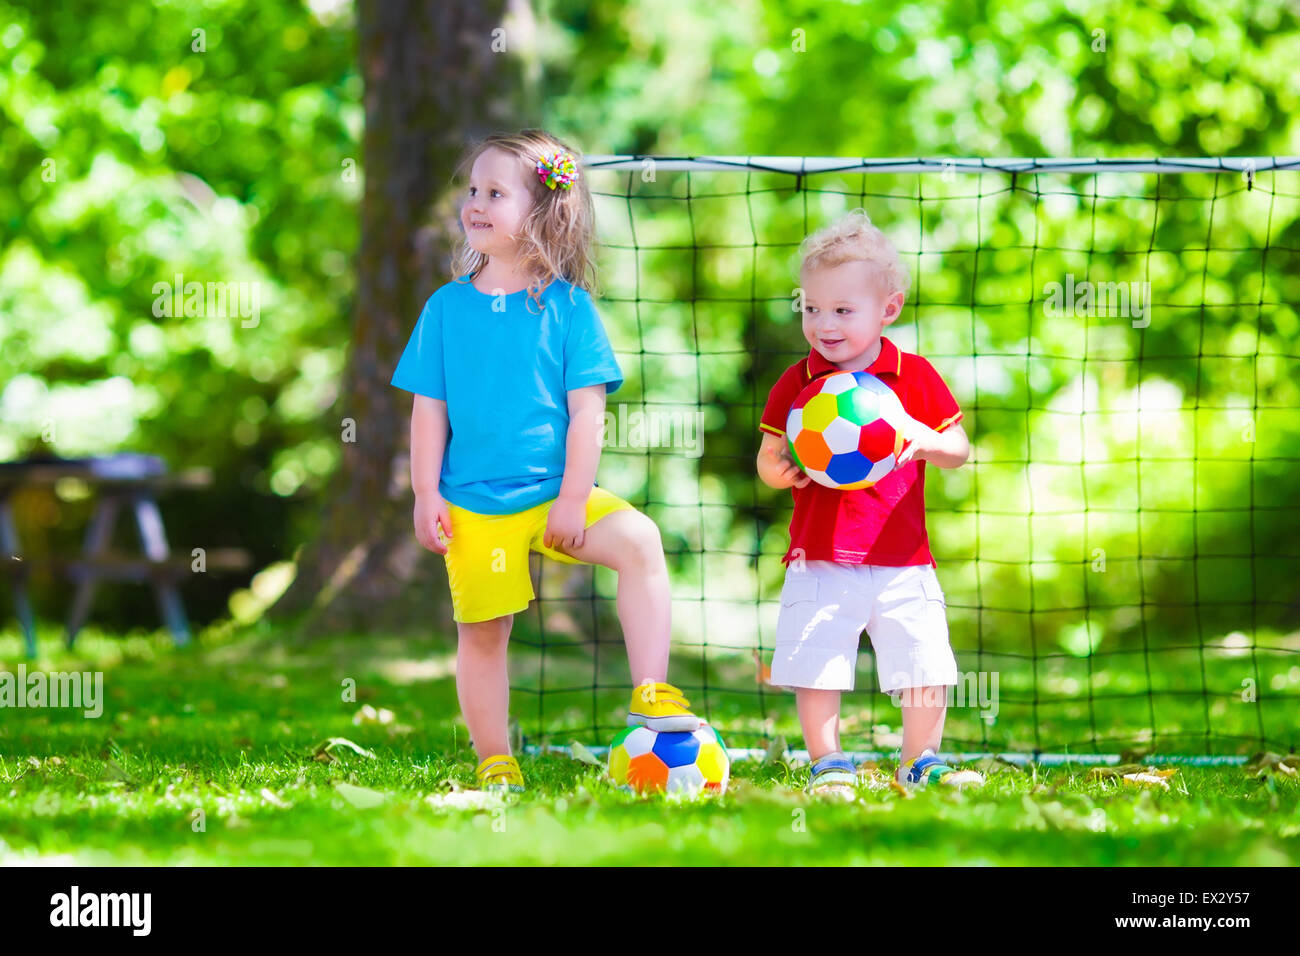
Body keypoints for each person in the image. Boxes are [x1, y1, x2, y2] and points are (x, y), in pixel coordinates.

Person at [391, 129, 701, 793]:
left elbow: (590, 414)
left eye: (495, 193)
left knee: (641, 540)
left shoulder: (568, 308)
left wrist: (570, 498)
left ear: (543, 213)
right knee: (483, 632)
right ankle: (494, 757)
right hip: (472, 502)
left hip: (555, 494)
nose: (475, 203)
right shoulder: (445, 310)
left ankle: (652, 689)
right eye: (472, 190)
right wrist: (425, 494)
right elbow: (428, 412)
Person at [756, 209, 985, 798]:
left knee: (924, 659)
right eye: (811, 308)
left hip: (903, 555)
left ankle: (921, 758)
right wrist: (782, 472)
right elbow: (768, 455)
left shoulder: (914, 376)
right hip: (820, 554)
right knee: (816, 657)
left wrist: (924, 437)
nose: (823, 324)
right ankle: (828, 759)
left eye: (842, 310)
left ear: (889, 309)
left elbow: (959, 449)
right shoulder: (797, 381)